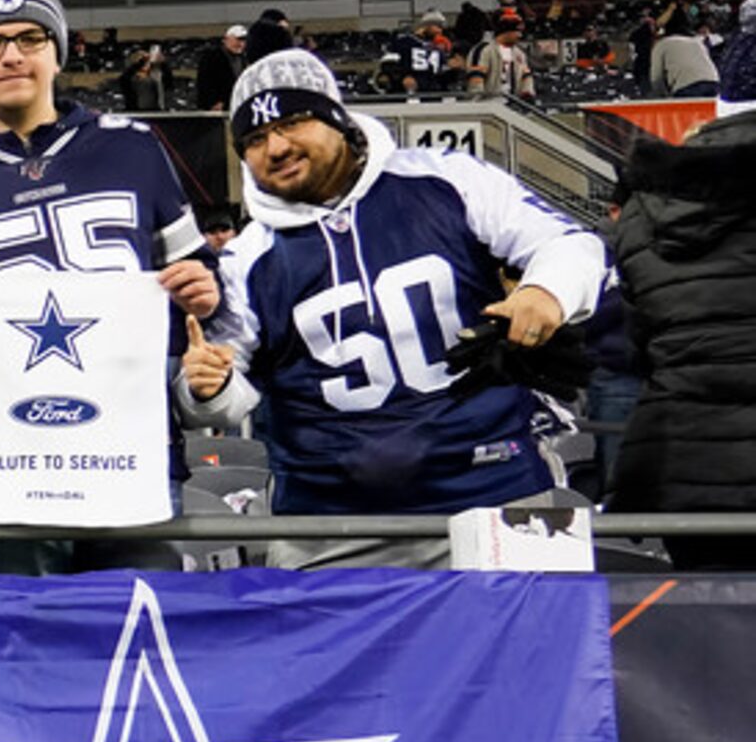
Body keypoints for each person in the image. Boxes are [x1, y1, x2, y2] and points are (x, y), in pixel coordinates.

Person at [177, 50, 606, 561]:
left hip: (497, 496)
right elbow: (226, 395)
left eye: (293, 122)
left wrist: (546, 292)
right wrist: (209, 386)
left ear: (337, 118)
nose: (275, 147)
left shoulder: (449, 180)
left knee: (537, 641)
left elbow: (573, 245)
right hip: (329, 528)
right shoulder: (246, 259)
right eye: (254, 139)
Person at [0, 0, 221, 574]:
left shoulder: (135, 148)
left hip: (132, 455)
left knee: (139, 642)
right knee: (24, 653)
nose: (10, 55)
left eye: (29, 37)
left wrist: (203, 291)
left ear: (57, 51)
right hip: (6, 468)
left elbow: (200, 278)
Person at [603, 1, 756, 567]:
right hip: (693, 461)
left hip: (692, 472)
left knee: (711, 647)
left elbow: (642, 345)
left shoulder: (646, 207)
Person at [473, 10, 536, 100]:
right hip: (489, 103)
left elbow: (526, 77)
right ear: (506, 32)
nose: (520, 35)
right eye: (517, 31)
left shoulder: (520, 54)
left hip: (513, 102)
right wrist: (477, 100)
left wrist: (527, 93)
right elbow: (476, 77)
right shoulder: (484, 50)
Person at [648, 21, 718, 98]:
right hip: (713, 82)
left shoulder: (660, 45)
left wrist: (662, 96)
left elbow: (656, 78)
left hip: (687, 86)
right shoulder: (696, 42)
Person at [194, 24, 245, 113]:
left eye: (244, 40)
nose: (242, 44)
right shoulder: (212, 57)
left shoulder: (244, 58)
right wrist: (213, 102)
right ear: (226, 39)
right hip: (216, 106)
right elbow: (205, 81)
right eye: (238, 40)